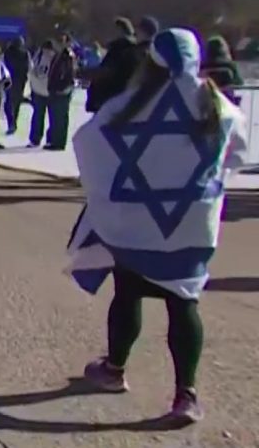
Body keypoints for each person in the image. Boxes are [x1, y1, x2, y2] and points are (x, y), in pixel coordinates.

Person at [68, 28, 246, 426]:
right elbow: (236, 154)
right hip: (190, 224)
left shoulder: (130, 105)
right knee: (184, 300)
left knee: (128, 291)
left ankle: (114, 369)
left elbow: (89, 143)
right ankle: (187, 394)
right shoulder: (217, 104)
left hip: (137, 224)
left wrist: (111, 194)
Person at [86, 16, 157, 113]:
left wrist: (81, 73)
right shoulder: (152, 52)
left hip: (114, 100)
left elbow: (110, 71)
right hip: (130, 103)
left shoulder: (131, 51)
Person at [44, 34, 78, 150]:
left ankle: (58, 142)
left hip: (61, 91)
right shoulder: (58, 55)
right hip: (55, 90)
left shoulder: (67, 56)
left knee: (60, 117)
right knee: (55, 117)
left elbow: (69, 75)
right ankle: (54, 140)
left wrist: (62, 88)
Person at [27, 40, 55, 148]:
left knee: (47, 117)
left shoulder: (52, 58)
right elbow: (32, 71)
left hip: (48, 91)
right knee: (39, 116)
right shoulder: (38, 57)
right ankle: (37, 139)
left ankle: (45, 139)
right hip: (40, 91)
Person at [200, 35, 242, 106]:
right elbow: (239, 82)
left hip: (207, 101)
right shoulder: (230, 65)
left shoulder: (202, 65)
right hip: (228, 101)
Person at [2, 36, 30, 134]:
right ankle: (13, 122)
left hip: (10, 81)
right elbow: (28, 67)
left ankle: (12, 122)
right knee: (16, 103)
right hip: (19, 81)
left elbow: (3, 66)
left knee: (8, 103)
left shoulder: (8, 52)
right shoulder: (25, 53)